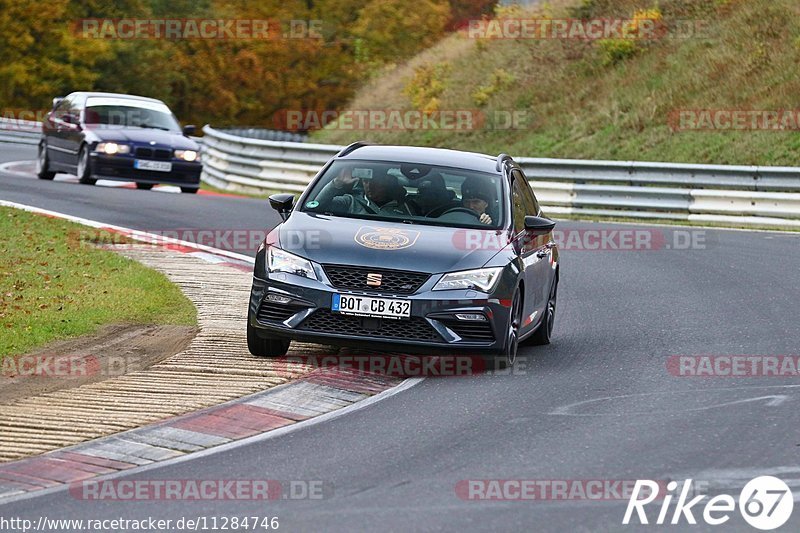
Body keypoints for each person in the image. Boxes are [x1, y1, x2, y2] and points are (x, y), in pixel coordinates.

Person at [314, 166, 413, 217]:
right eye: (365, 181)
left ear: (386, 182)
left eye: (374, 182)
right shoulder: (350, 202)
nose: (369, 186)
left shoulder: (406, 207)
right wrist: (337, 183)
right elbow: (316, 206)